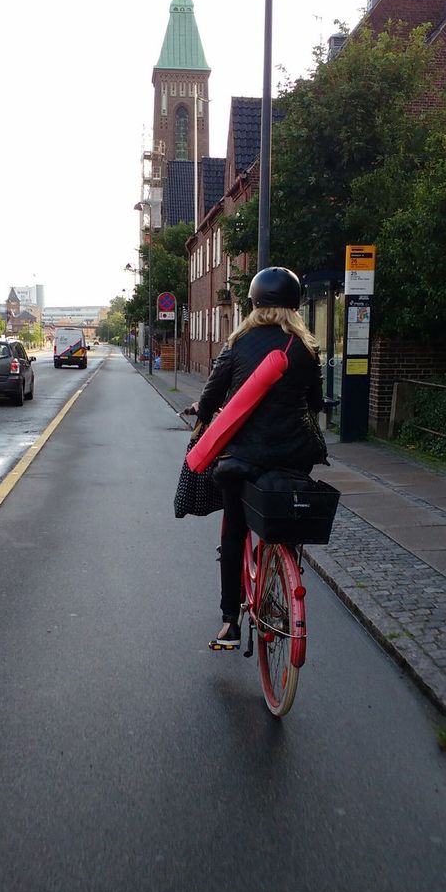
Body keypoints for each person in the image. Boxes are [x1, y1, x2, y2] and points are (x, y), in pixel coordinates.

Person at [190, 266, 327, 650]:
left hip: (243, 458)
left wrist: (203, 418)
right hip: (293, 457)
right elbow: (315, 404)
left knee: (234, 530)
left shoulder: (239, 342)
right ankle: (283, 567)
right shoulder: (305, 347)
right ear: (295, 305)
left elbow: (212, 394)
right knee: (284, 517)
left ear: (253, 302)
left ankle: (230, 624)